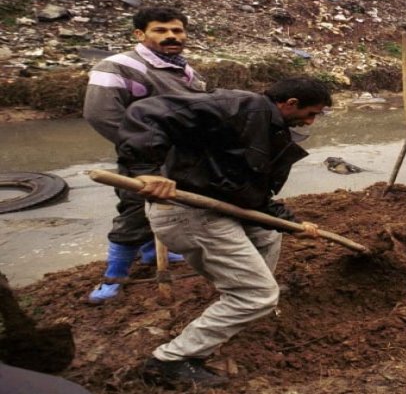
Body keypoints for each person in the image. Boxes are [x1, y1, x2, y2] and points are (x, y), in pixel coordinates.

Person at [118, 77, 330, 388]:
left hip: (217, 208)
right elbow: (149, 112)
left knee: (268, 235)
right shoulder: (238, 107)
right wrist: (146, 171)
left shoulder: (267, 126)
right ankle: (171, 360)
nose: (310, 122)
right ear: (290, 103)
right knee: (259, 295)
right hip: (188, 213)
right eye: (310, 113)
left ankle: (244, 296)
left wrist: (293, 222)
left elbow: (251, 196)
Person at [82, 6, 206, 304]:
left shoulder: (185, 69)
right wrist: (145, 151)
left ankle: (152, 252)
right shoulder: (117, 67)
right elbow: (102, 116)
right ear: (140, 34)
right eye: (160, 30)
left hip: (179, 156)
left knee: (169, 208)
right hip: (143, 158)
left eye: (176, 30)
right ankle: (114, 277)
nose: (171, 36)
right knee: (135, 211)